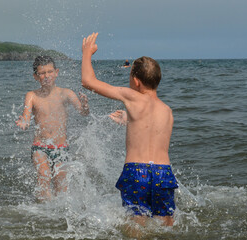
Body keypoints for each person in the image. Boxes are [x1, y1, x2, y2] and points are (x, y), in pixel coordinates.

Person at [81, 33, 178, 229]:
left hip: (137, 171)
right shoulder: (167, 111)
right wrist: (129, 120)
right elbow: (152, 132)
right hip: (163, 173)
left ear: (136, 81)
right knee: (167, 222)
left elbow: (88, 81)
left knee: (135, 223)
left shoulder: (132, 97)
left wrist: (86, 54)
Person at [16, 56, 89, 202]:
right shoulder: (32, 95)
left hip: (61, 147)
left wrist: (85, 105)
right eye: (42, 73)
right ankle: (43, 210)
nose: (46, 76)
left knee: (61, 184)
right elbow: (26, 114)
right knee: (44, 174)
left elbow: (83, 113)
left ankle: (56, 216)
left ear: (56, 72)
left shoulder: (66, 93)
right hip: (40, 147)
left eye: (50, 72)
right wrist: (24, 121)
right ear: (36, 76)